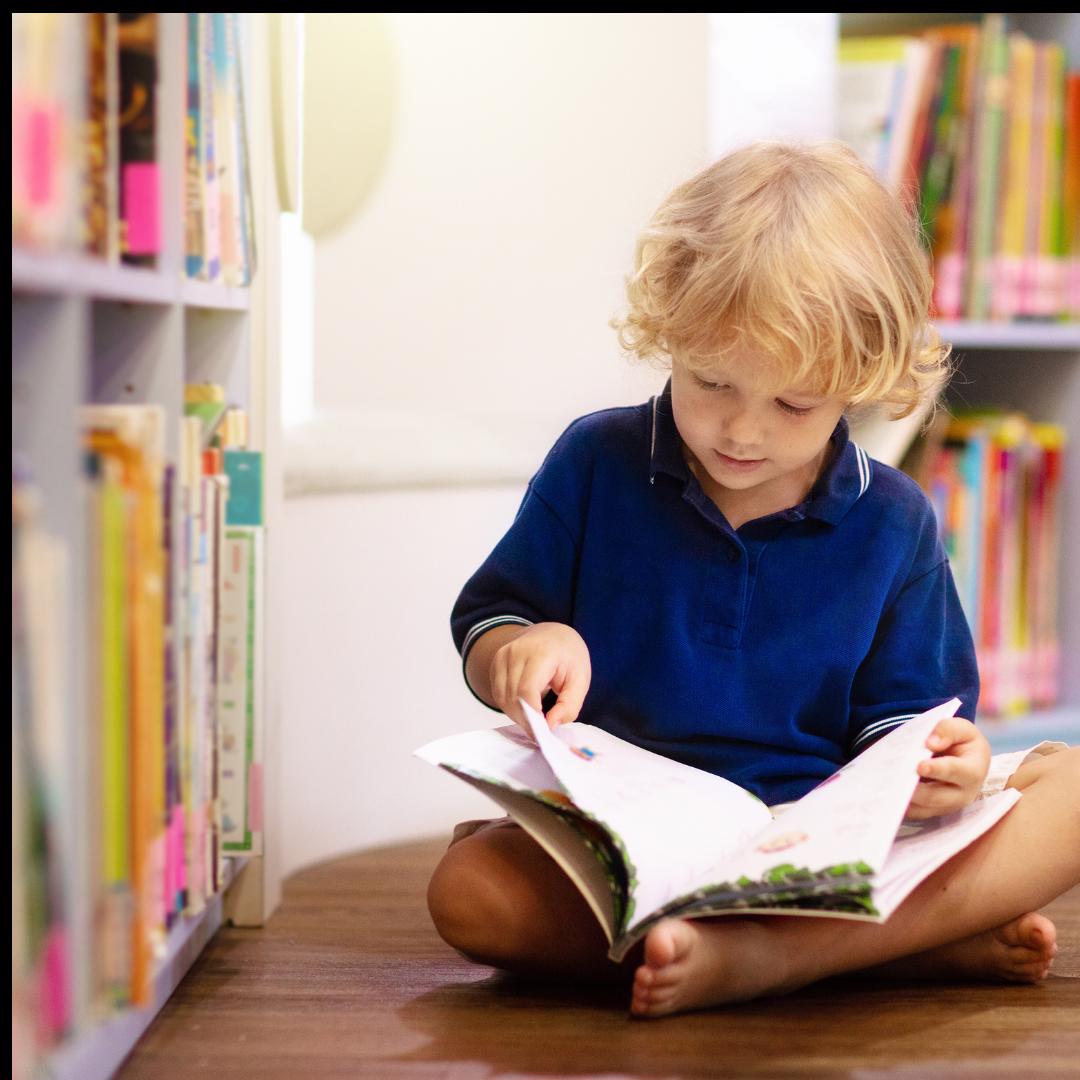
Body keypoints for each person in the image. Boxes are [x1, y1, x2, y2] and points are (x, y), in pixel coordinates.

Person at [425, 140, 1079, 1018]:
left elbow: (909, 733)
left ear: (860, 380)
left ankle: (775, 953)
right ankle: (880, 951)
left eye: (793, 404)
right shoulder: (596, 462)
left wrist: (942, 769)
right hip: (630, 839)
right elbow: (493, 621)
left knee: (1071, 789)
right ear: (670, 333)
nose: (740, 429)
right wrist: (519, 648)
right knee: (469, 893)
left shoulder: (895, 521)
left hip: (817, 844)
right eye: (711, 381)